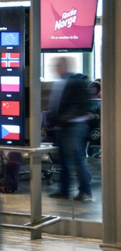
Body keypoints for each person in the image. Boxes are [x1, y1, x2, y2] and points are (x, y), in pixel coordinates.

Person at [47, 58, 93, 202]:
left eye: (58, 65)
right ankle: (64, 190)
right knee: (63, 160)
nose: (55, 68)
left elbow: (82, 103)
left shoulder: (77, 82)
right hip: (61, 127)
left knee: (77, 159)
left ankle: (85, 191)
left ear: (64, 66)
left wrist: (66, 117)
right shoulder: (59, 83)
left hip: (74, 126)